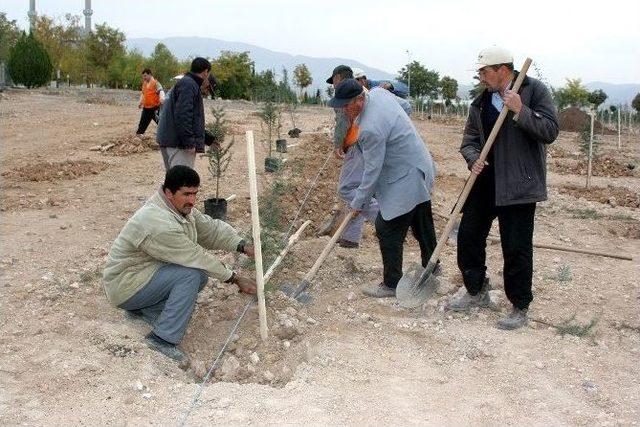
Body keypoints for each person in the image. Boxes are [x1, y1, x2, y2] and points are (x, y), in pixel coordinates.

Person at [447, 46, 559, 330]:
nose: (481, 78)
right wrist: (473, 158)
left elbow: (550, 132)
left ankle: (519, 305)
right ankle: (476, 290)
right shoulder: (480, 103)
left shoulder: (534, 91)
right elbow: (469, 140)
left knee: (516, 247)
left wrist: (521, 110)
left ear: (503, 70)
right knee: (469, 236)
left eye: (484, 72)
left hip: (519, 184)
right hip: (484, 182)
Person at [102, 166, 257, 361]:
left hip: (140, 278)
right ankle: (162, 340)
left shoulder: (179, 209)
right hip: (124, 286)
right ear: (168, 193)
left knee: (197, 276)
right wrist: (235, 279)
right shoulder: (158, 222)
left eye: (194, 194)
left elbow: (210, 230)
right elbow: (196, 256)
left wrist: (242, 246)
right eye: (186, 194)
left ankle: (143, 310)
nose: (192, 200)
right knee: (191, 275)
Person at [328, 79, 438, 298]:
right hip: (420, 162)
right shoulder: (379, 94)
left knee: (387, 228)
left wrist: (358, 203)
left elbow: (372, 171)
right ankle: (433, 265)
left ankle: (391, 283)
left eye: (346, 104)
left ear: (360, 99)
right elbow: (405, 107)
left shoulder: (369, 129)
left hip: (404, 175)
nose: (342, 109)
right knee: (420, 218)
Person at [156, 57, 215, 170]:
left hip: (172, 139)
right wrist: (189, 143)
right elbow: (183, 116)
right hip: (178, 144)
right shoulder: (189, 85)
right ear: (205, 72)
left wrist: (208, 139)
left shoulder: (187, 83)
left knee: (174, 183)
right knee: (182, 183)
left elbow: (190, 118)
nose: (206, 86)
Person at [136, 68, 165, 135]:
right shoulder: (144, 84)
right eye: (143, 76)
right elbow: (143, 94)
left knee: (161, 123)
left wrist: (162, 98)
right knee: (142, 123)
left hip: (155, 108)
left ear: (150, 75)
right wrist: (140, 102)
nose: (144, 77)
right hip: (146, 108)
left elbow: (161, 91)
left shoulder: (156, 83)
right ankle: (139, 134)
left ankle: (167, 135)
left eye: (145, 76)